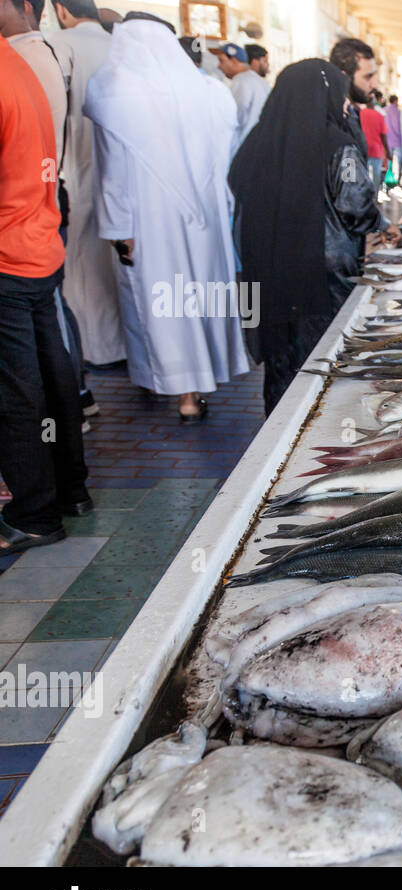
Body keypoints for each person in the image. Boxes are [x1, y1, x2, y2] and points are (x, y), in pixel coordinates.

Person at [83, 12, 249, 423]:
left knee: (159, 306)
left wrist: (118, 229)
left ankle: (170, 384)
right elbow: (229, 162)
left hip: (149, 222)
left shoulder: (114, 89)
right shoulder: (210, 92)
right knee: (198, 300)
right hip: (206, 221)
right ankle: (195, 391)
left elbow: (112, 174)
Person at [229, 59, 398, 414]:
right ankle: (311, 426)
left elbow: (237, 184)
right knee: (322, 356)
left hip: (268, 270)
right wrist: (381, 225)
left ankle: (277, 425)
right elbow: (355, 205)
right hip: (322, 275)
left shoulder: (260, 140)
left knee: (281, 356)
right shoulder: (338, 144)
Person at [1, 33, 92, 554]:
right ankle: (71, 489)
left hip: (7, 256)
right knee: (53, 377)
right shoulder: (20, 64)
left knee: (16, 391)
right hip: (38, 244)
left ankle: (33, 514)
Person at [49, 0, 124, 371]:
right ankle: (125, 345)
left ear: (61, 10)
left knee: (82, 270)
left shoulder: (58, 46)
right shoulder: (121, 47)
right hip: (122, 178)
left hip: (76, 176)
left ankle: (95, 350)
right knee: (116, 266)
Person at [211, 40, 268, 149]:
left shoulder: (241, 81)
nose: (219, 66)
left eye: (222, 61)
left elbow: (233, 117)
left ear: (234, 61)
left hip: (245, 146)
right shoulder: (259, 82)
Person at [328, 36, 376, 153]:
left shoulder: (352, 114)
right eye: (368, 77)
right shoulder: (332, 122)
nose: (374, 85)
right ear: (344, 77)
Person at [359, 93, 390, 196]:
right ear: (374, 102)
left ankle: (365, 196)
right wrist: (387, 152)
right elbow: (384, 136)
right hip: (376, 150)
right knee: (376, 176)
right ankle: (375, 197)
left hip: (364, 149)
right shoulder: (379, 116)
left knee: (365, 174)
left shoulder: (360, 113)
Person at [384, 93, 402, 181]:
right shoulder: (398, 111)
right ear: (395, 101)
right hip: (397, 140)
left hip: (387, 140)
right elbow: (398, 126)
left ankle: (387, 179)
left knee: (388, 160)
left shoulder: (384, 110)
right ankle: (398, 179)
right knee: (399, 161)